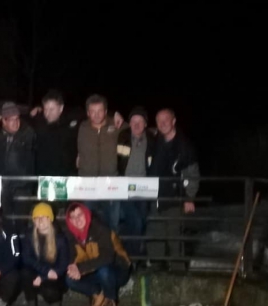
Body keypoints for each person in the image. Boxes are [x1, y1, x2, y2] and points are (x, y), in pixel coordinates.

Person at [147, 109, 201, 269]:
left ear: (174, 121)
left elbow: (193, 174)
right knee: (155, 236)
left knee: (175, 237)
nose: (163, 123)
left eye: (166, 119)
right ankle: (156, 270)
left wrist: (189, 197)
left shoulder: (184, 146)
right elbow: (136, 127)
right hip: (155, 197)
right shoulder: (154, 140)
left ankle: (178, 273)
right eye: (159, 120)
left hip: (175, 198)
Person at [63, 202, 131, 306]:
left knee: (104, 270)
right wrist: (72, 268)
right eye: (73, 217)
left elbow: (107, 257)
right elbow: (71, 258)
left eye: (80, 215)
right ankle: (98, 294)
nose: (77, 220)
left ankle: (110, 300)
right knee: (70, 279)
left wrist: (81, 268)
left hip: (117, 269)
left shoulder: (100, 229)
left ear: (86, 214)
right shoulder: (70, 235)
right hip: (93, 269)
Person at [76, 94, 122, 231]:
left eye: (100, 111)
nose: (96, 115)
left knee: (112, 225)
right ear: (87, 113)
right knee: (87, 225)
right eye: (92, 111)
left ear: (106, 111)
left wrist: (117, 114)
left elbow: (137, 126)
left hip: (111, 185)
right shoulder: (81, 127)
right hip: (87, 185)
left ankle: (112, 245)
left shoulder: (117, 125)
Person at [116, 106, 155, 259]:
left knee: (141, 221)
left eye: (140, 121)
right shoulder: (122, 136)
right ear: (129, 123)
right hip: (124, 186)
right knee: (135, 221)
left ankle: (128, 253)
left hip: (145, 187)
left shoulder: (152, 139)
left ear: (145, 124)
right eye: (133, 121)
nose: (136, 125)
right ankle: (132, 256)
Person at [0, 102, 36, 230]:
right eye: (11, 120)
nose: (16, 123)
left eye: (17, 119)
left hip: (23, 186)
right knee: (6, 222)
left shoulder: (27, 133)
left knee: (22, 223)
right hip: (3, 187)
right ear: (4, 121)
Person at [20, 203, 69, 306]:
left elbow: (63, 265)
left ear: (50, 219)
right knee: (24, 272)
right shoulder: (29, 235)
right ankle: (31, 302)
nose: (40, 221)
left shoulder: (60, 238)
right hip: (39, 271)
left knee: (54, 305)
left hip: (53, 275)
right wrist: (45, 271)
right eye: (37, 218)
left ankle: (55, 299)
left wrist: (43, 277)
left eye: (44, 217)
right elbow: (27, 258)